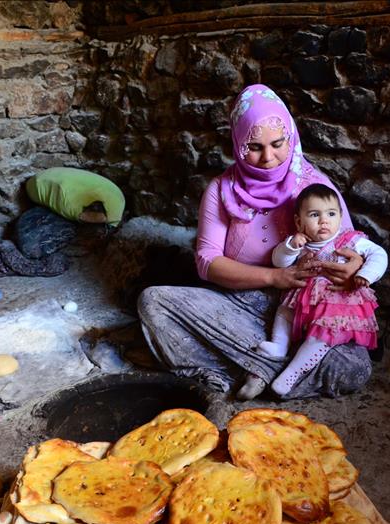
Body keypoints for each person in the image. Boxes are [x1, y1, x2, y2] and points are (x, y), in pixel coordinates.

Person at [137, 84, 373, 400]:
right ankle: (276, 372)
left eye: (278, 144)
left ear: (291, 136)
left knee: (354, 367)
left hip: (302, 307)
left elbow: (349, 243)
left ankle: (246, 369)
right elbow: (207, 262)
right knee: (153, 302)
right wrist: (274, 277)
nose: (268, 158)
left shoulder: (315, 187)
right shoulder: (222, 190)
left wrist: (356, 265)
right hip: (237, 301)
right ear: (237, 143)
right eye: (255, 147)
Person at [255, 183, 387, 397]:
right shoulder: (301, 243)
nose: (324, 220)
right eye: (314, 214)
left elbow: (379, 254)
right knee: (283, 312)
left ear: (340, 218)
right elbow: (278, 262)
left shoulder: (350, 240)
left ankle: (292, 373)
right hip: (303, 298)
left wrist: (366, 275)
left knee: (323, 334)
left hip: (336, 302)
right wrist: (290, 246)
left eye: (331, 214)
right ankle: (279, 345)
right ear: (299, 222)